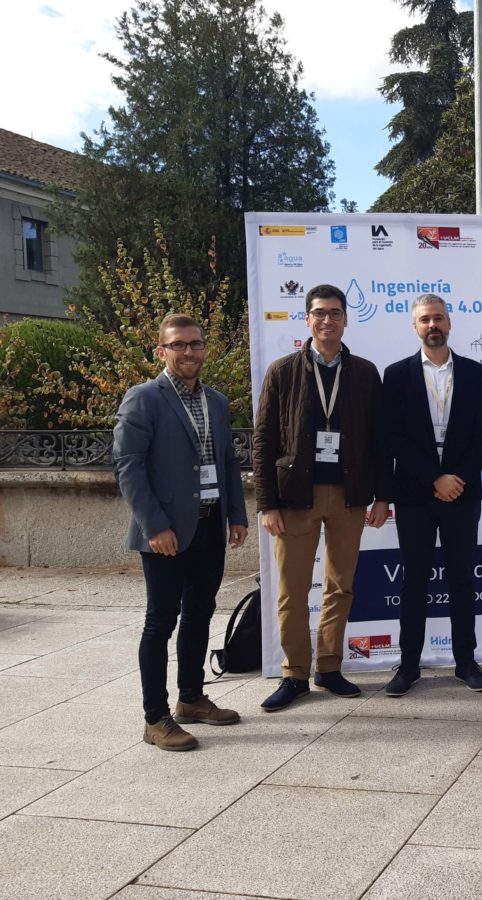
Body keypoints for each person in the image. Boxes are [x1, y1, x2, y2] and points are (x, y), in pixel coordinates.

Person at [253, 284, 391, 712]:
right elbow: (263, 440)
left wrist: (383, 496)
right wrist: (266, 503)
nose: (327, 320)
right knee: (292, 590)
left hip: (350, 496)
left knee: (340, 586)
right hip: (296, 496)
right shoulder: (282, 371)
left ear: (346, 320)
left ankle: (329, 667)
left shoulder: (366, 372)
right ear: (307, 320)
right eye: (319, 313)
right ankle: (294, 674)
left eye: (335, 313)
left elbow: (379, 440)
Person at [114, 314, 248, 751]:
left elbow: (227, 461)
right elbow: (128, 467)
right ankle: (156, 718)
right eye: (179, 345)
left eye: (195, 344)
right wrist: (155, 526)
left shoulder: (217, 401)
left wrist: (237, 514)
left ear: (205, 348)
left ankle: (192, 699)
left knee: (200, 614)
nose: (188, 352)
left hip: (210, 524)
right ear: (162, 351)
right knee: (160, 622)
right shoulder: (143, 399)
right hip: (166, 532)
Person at [381, 293, 482, 696]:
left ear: (450, 324)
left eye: (439, 318)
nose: (433, 325)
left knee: (462, 578)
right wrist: (435, 478)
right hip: (415, 495)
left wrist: (456, 479)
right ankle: (408, 665)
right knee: (414, 581)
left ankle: (466, 662)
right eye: (425, 320)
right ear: (415, 326)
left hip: (463, 494)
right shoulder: (395, 375)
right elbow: (392, 437)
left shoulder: (474, 372)